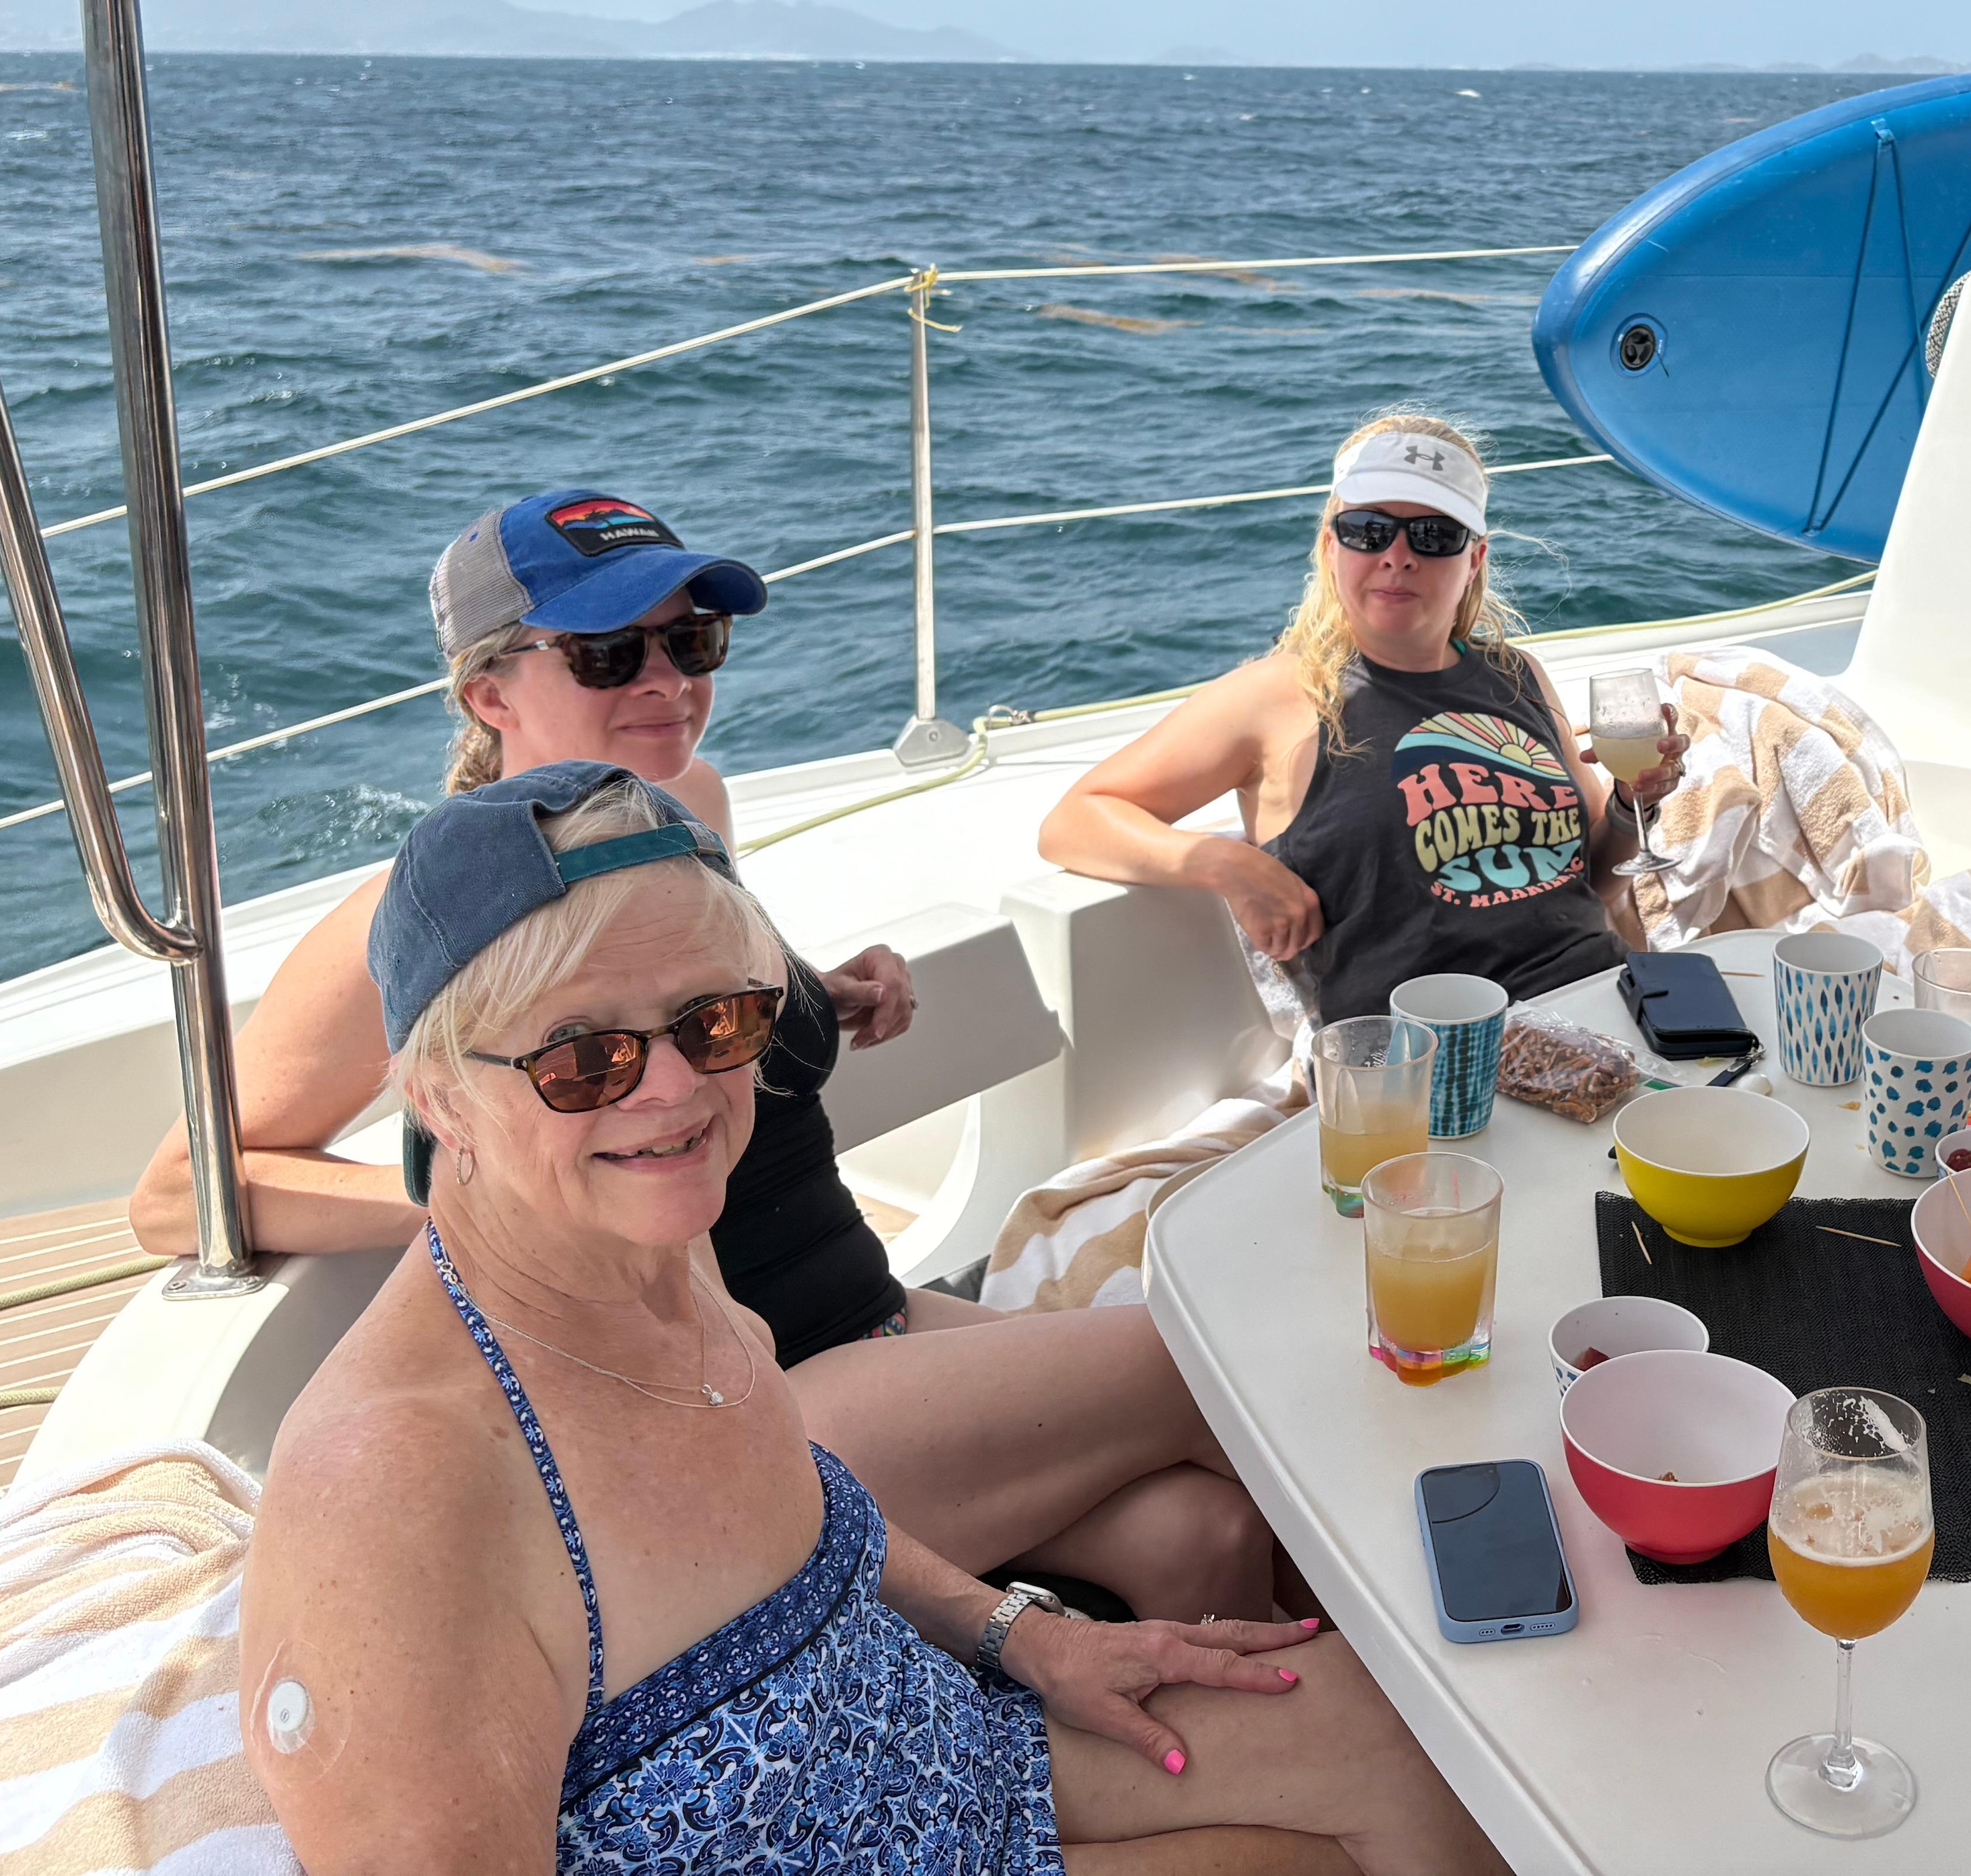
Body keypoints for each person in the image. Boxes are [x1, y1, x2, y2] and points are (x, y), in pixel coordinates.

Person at [240, 763, 1501, 1875]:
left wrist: (1017, 1635)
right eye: (583, 1057)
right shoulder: (401, 1491)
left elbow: (781, 1499)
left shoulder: (660, 1255)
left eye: (715, 1020)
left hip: (956, 1755)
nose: (674, 1091)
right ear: (436, 1097)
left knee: (1427, 1747)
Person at [135, 488, 1274, 1622]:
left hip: (869, 1311)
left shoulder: (681, 807)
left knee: (1204, 1531)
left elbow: (664, 1001)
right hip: (743, 1397)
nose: (666, 681)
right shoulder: (427, 920)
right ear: (489, 692)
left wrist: (807, 991)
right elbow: (179, 1192)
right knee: (1220, 1364)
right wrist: (480, 1206)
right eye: (608, 653)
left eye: (691, 640)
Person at [1038, 414, 1684, 1018]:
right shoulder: (1275, 697)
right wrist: (1229, 866)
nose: (1397, 556)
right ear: (1331, 547)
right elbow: (1074, 821)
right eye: (1368, 531)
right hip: (1425, 1051)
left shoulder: (1518, 676)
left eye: (1434, 535)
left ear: (1474, 560)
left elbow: (1592, 882)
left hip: (1603, 1003)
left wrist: (1633, 806)